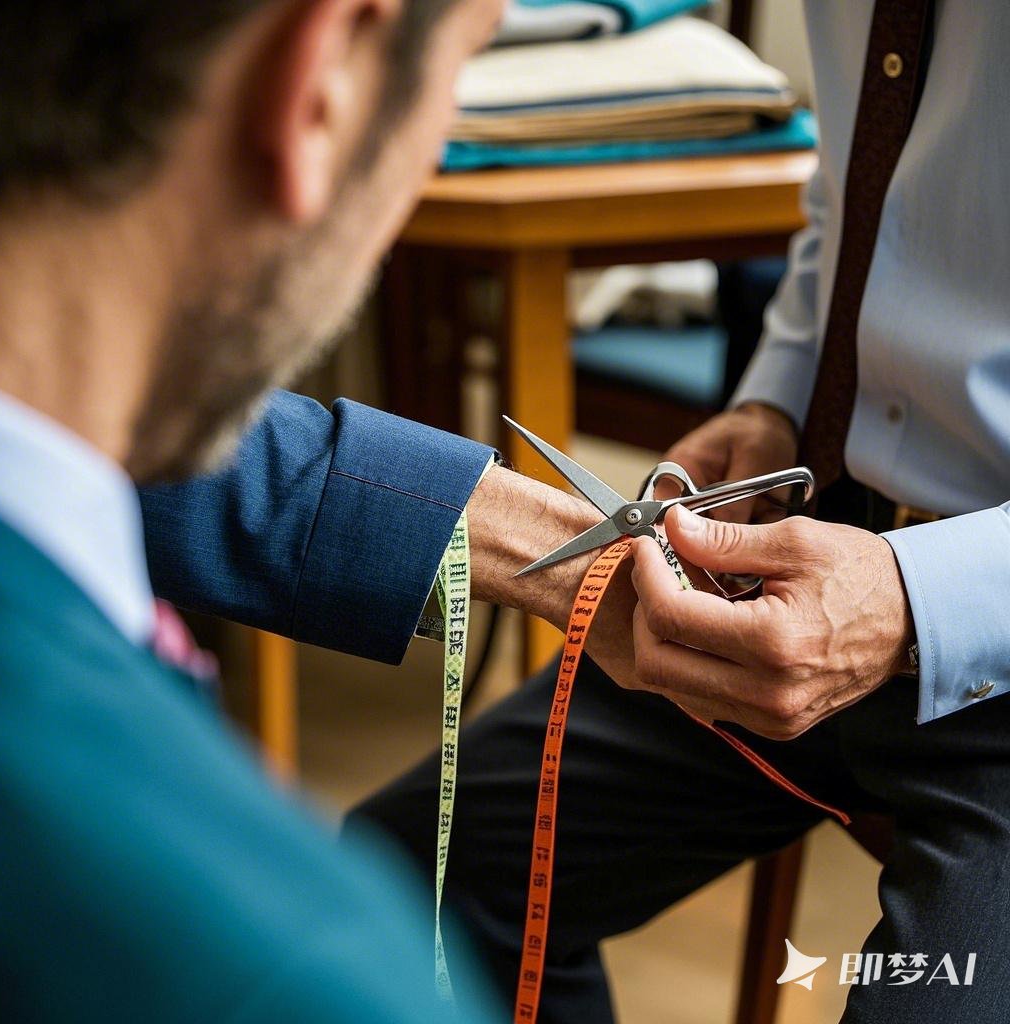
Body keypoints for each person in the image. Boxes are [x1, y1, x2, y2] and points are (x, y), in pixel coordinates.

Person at [354, 3, 1010, 1021]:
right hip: (821, 556)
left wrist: (920, 596)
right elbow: (856, 199)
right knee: (408, 884)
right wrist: (776, 402)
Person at [0, 0, 640, 1019]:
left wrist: (548, 543)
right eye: (462, 69)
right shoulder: (312, 978)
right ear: (321, 81)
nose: (433, 150)